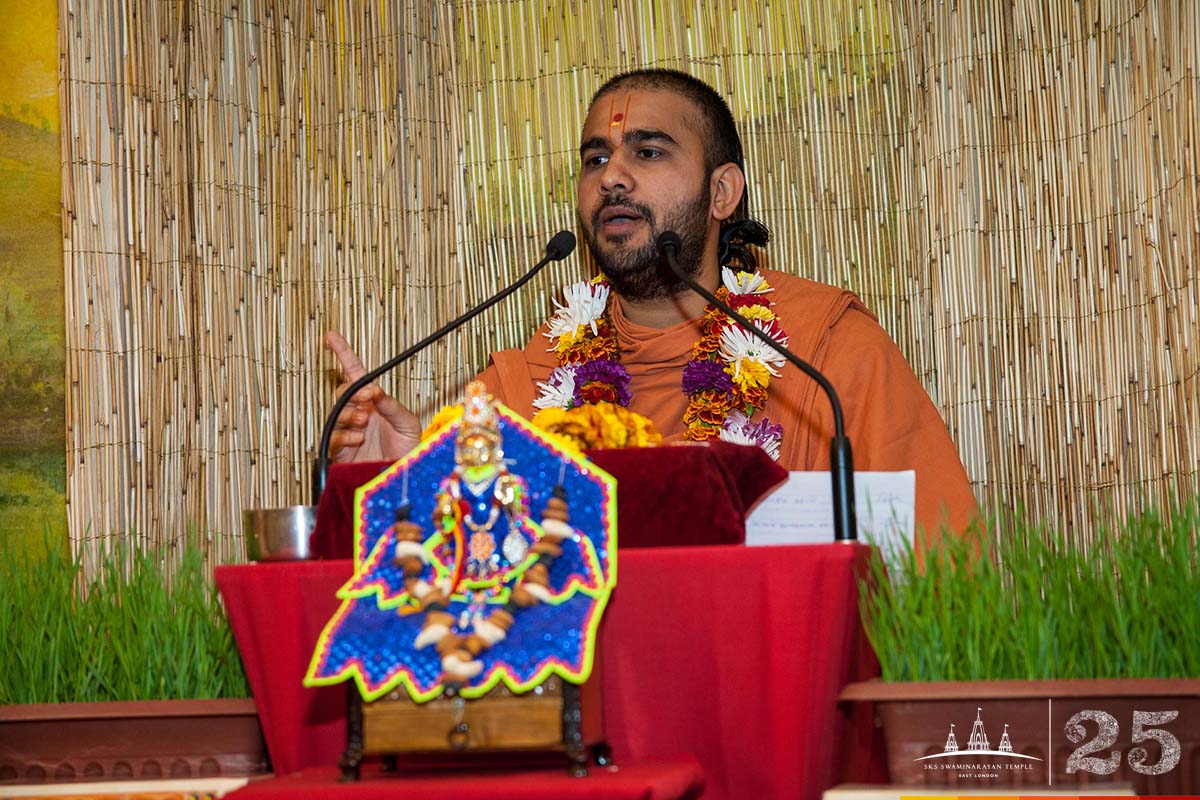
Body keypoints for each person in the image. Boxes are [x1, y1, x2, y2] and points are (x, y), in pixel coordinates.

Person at [327, 68, 977, 537]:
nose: (611, 175)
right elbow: (462, 593)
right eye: (595, 158)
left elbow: (937, 580)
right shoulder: (526, 384)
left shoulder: (823, 354)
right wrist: (403, 476)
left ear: (723, 193)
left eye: (647, 150)